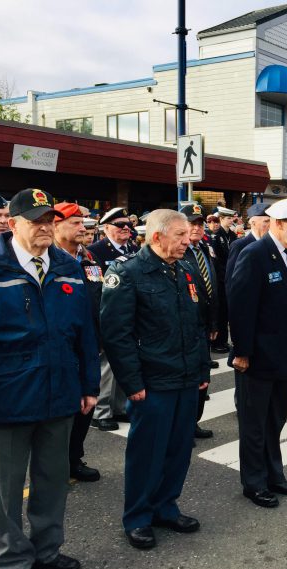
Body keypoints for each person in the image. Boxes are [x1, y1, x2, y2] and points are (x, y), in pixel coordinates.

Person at [0, 188, 99, 569]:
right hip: (6, 396)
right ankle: (13, 559)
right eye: (36, 221)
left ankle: (47, 551)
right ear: (13, 223)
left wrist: (89, 385)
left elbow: (85, 332)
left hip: (60, 392)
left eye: (49, 220)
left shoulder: (67, 265)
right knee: (5, 489)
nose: (44, 228)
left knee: (53, 480)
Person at [100, 209, 210, 550]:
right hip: (153, 382)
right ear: (157, 237)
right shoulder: (128, 272)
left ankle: (166, 506)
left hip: (186, 378)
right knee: (147, 454)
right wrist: (133, 384)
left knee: (178, 450)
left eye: (187, 234)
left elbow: (197, 326)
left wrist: (202, 371)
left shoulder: (186, 269)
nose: (187, 240)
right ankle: (138, 517)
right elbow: (116, 335)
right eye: (180, 235)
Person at [228, 198, 287, 508]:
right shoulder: (255, 254)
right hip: (258, 357)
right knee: (254, 423)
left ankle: (274, 474)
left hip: (284, 356)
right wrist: (242, 351)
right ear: (277, 224)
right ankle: (254, 482)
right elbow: (241, 307)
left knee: (275, 420)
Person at [53, 202, 103, 483]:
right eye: (75, 222)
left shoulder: (89, 258)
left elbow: (99, 298)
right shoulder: (51, 260)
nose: (83, 227)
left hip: (90, 344)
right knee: (62, 411)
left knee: (86, 404)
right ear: (55, 226)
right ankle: (56, 463)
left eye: (83, 222)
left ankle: (74, 458)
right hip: (63, 347)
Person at [88, 206, 135, 431]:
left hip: (129, 317)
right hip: (107, 317)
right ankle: (101, 411)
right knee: (106, 367)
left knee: (124, 363)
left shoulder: (134, 249)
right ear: (106, 228)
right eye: (120, 225)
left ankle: (119, 407)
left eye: (128, 225)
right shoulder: (95, 252)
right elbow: (96, 290)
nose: (126, 228)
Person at [180, 203, 220, 439]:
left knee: (203, 376)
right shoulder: (179, 251)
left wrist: (215, 323)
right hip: (188, 326)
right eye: (191, 223)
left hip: (204, 325)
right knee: (189, 378)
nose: (196, 228)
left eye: (199, 223)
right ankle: (183, 427)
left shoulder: (203, 249)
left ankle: (193, 422)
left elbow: (211, 288)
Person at [211, 206, 237, 353]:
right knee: (220, 311)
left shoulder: (232, 235)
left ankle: (223, 341)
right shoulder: (216, 236)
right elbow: (217, 259)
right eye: (227, 218)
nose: (230, 220)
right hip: (221, 277)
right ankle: (217, 342)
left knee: (226, 311)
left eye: (231, 218)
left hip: (230, 277)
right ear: (221, 219)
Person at [225, 202, 270, 284]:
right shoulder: (240, 245)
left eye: (271, 221)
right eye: (266, 221)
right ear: (253, 223)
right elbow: (231, 280)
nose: (270, 225)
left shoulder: (270, 244)